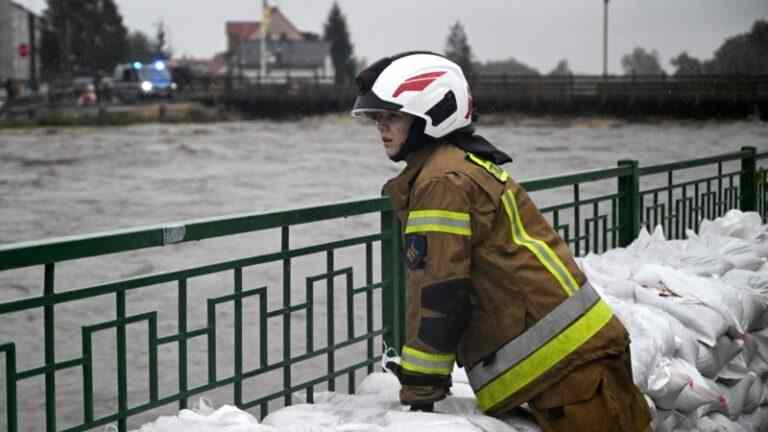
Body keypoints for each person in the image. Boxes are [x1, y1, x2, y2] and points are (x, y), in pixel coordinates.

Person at [351, 51, 651, 431]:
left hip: (571, 370)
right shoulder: (455, 165)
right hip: (572, 359)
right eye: (378, 118)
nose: (382, 127)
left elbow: (441, 291)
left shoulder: (441, 182)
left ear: (432, 114)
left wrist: (420, 388)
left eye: (392, 116)